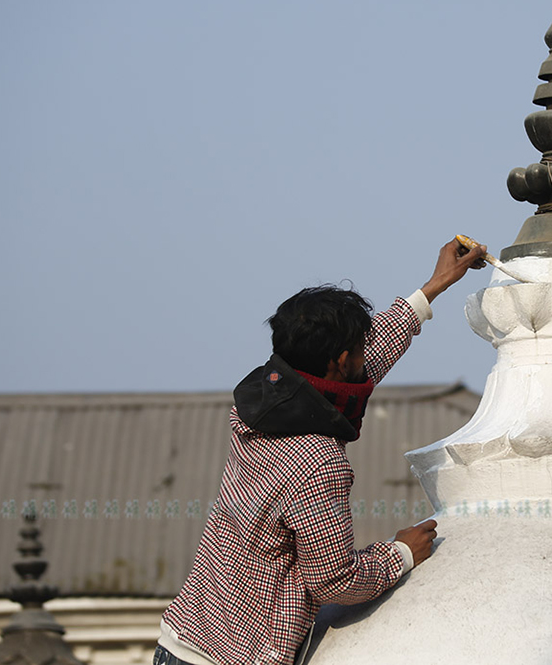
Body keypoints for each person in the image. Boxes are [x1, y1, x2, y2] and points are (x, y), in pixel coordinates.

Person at [155, 239, 487, 665]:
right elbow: (334, 581)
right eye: (359, 347)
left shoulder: (264, 401)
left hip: (182, 636)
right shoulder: (317, 460)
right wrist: (401, 553)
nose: (367, 354)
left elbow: (365, 363)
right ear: (341, 361)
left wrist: (433, 287)